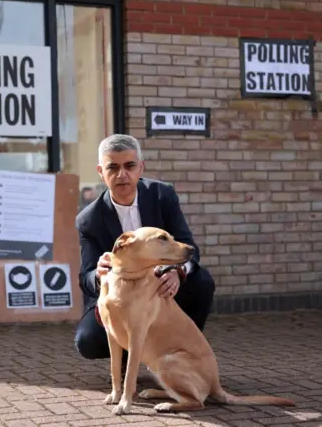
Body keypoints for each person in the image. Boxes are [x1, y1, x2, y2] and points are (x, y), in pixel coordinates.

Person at [73, 134, 216, 361]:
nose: (122, 175)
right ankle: (125, 362)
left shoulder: (162, 196)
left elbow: (189, 248)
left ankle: (182, 354)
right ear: (101, 172)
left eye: (129, 166)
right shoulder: (88, 220)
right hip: (119, 296)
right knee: (87, 341)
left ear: (141, 167)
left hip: (158, 287)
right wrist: (99, 275)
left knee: (202, 282)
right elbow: (86, 278)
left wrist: (178, 272)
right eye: (113, 168)